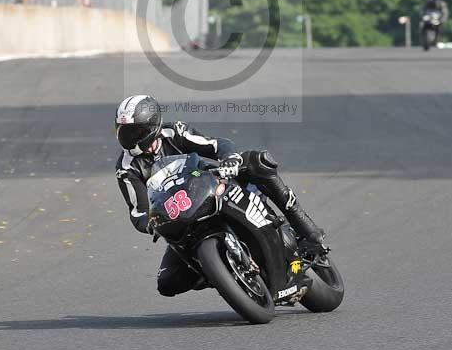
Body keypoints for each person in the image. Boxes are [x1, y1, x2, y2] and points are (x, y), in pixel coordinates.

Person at [114, 95, 327, 297]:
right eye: (123, 132)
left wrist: (229, 158)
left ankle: (307, 230)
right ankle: (223, 273)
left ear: (153, 127)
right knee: (168, 283)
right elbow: (137, 211)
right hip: (181, 219)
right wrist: (150, 222)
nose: (129, 139)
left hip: (212, 186)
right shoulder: (126, 168)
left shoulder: (174, 132)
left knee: (257, 161)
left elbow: (216, 144)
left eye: (134, 132)